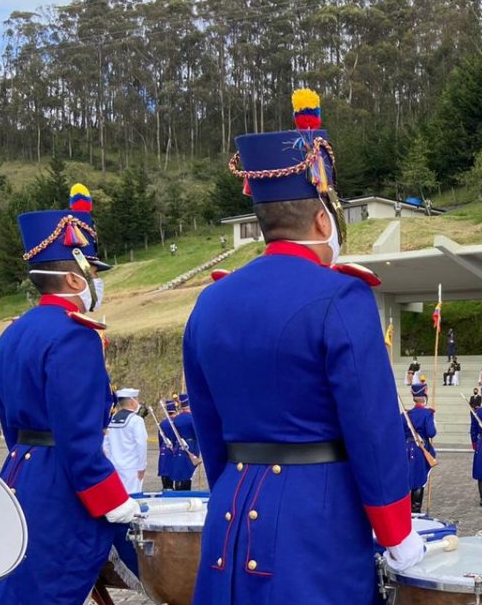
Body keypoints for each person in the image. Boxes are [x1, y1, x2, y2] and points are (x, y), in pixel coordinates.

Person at [181, 95, 425, 603]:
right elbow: (372, 426)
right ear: (322, 220)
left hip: (229, 514)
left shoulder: (210, 302)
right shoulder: (342, 296)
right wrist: (397, 534)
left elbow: (209, 430)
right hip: (315, 523)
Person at [0, 182, 139, 605]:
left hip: (19, 475)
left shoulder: (13, 334)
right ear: (74, 275)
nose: (97, 282)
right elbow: (77, 435)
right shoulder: (75, 336)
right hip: (61, 486)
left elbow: (10, 424)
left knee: (16, 590)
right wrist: (113, 499)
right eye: (94, 272)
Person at [104, 388, 148, 494]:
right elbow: (141, 445)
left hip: (114, 467)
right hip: (132, 468)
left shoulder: (112, 419)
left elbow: (105, 445)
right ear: (133, 401)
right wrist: (142, 467)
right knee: (133, 499)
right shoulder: (136, 420)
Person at [404, 382, 436, 514]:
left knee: (408, 477)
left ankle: (407, 509)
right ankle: (415, 509)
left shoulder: (405, 414)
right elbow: (431, 433)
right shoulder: (427, 414)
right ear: (425, 395)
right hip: (419, 449)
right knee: (419, 479)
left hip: (406, 448)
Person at [168, 394, 198, 491]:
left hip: (178, 446)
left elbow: (173, 436)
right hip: (191, 446)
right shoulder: (192, 418)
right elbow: (196, 434)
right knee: (188, 472)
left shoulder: (176, 419)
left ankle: (178, 490)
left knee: (179, 471)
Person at [157, 399, 176, 490]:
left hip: (165, 449)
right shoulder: (176, 421)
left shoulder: (162, 423)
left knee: (165, 472)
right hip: (175, 449)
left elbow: (160, 440)